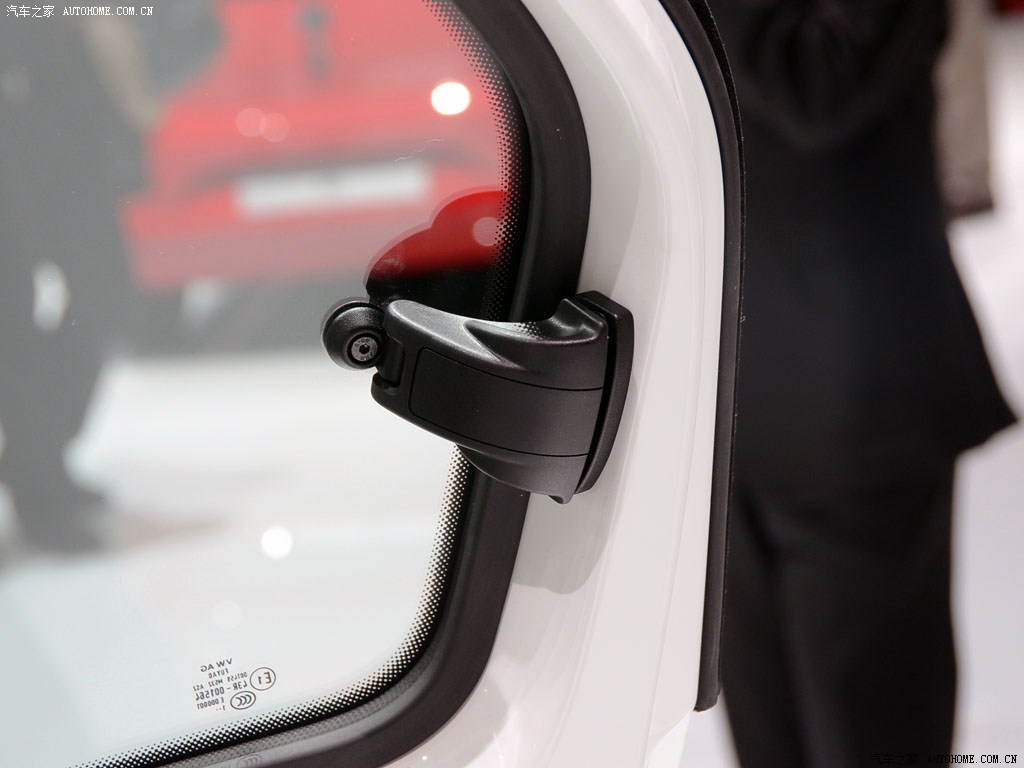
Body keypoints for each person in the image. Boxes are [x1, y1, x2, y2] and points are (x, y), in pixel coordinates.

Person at [704, 1, 1016, 765]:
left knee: (868, 722)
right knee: (776, 725)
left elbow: (814, 89)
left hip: (846, 390)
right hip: (735, 391)